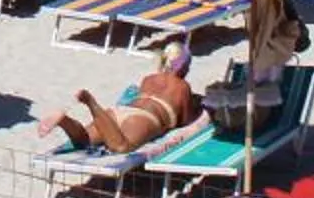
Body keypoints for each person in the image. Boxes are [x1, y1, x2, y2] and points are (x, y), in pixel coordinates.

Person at [39, 48, 199, 153]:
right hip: (144, 119)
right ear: (182, 67)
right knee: (121, 147)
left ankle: (65, 121)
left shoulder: (149, 79)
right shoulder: (182, 86)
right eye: (188, 66)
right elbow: (186, 120)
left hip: (118, 111)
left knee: (83, 140)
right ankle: (91, 103)